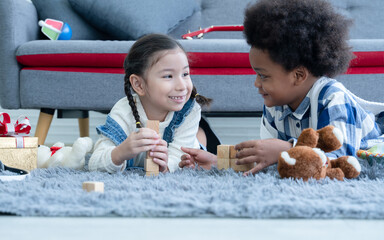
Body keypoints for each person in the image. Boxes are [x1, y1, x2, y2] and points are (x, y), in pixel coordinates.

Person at [179, 0, 384, 175]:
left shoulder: (332, 98)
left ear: (298, 75)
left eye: (263, 75)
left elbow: (342, 161)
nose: (256, 83)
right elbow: (269, 160)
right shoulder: (275, 105)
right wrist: (219, 162)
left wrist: (286, 149)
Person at [89, 33, 211, 173]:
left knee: (196, 151)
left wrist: (165, 166)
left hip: (190, 140)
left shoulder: (190, 110)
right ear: (139, 85)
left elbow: (177, 158)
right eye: (168, 76)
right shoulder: (123, 112)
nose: (182, 86)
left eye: (185, 74)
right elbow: (94, 164)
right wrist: (121, 152)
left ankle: (202, 134)